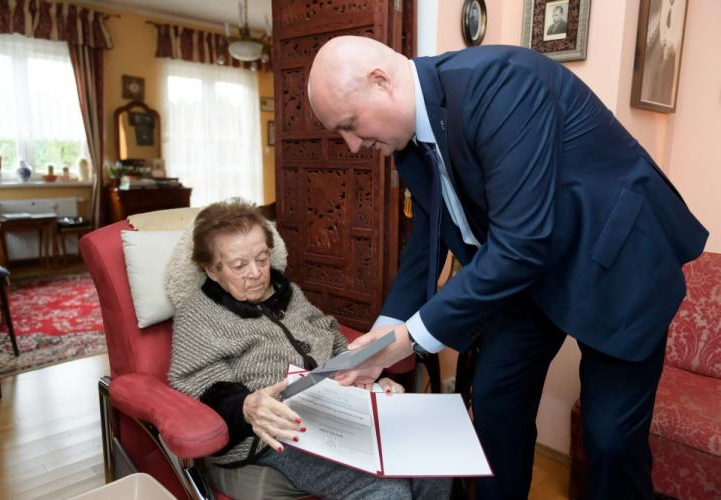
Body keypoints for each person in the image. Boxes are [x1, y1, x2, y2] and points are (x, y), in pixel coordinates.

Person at [307, 36, 708, 499]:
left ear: (381, 81)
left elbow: (520, 244)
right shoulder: (406, 141)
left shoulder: (498, 83)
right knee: (496, 406)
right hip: (523, 277)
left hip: (616, 263)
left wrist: (409, 337)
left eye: (351, 125)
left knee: (612, 439)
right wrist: (387, 327)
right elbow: (431, 237)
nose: (353, 146)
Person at [168, 199, 451, 500]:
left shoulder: (288, 294)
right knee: (386, 491)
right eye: (239, 266)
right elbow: (200, 385)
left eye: (262, 258)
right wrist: (247, 406)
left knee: (433, 458)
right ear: (212, 269)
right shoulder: (197, 315)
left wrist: (371, 381)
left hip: (337, 409)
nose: (255, 273)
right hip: (276, 431)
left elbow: (332, 338)